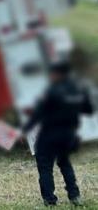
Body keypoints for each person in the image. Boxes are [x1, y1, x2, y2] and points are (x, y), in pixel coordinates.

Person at [22, 61, 94, 206]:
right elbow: (89, 110)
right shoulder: (79, 91)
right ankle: (75, 196)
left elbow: (38, 114)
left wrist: (24, 131)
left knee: (45, 168)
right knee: (65, 164)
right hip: (68, 135)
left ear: (58, 74)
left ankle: (49, 200)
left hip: (48, 136)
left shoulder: (52, 91)